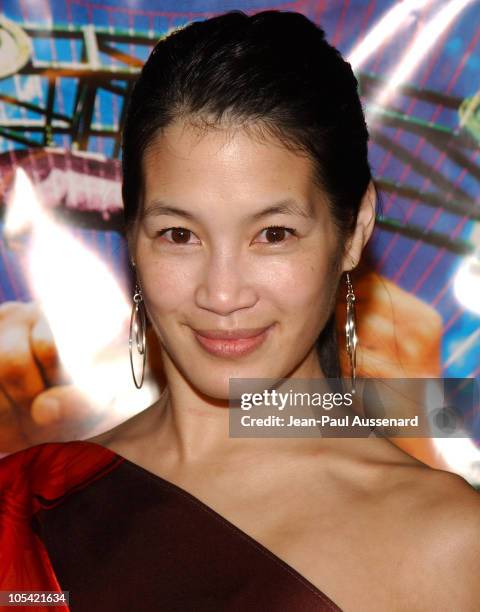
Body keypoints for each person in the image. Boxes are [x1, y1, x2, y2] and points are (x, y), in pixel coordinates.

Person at [0, 10, 478, 612]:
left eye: (273, 235)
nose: (222, 294)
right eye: (179, 235)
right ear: (132, 236)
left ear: (354, 229)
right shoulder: (22, 504)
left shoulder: (451, 544)